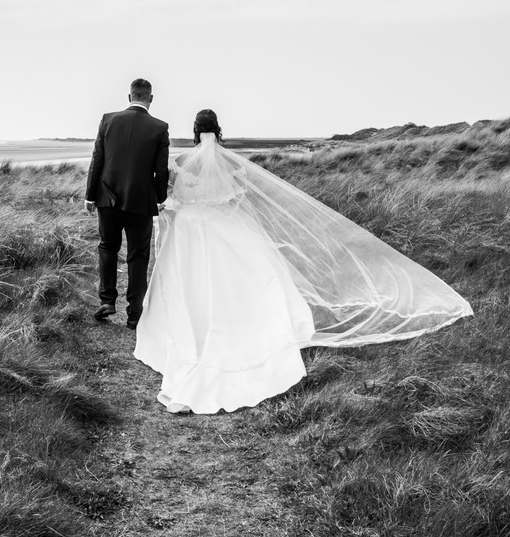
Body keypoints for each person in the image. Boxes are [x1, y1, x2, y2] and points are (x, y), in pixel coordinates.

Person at [134, 109, 473, 414]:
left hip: (192, 230)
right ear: (218, 130)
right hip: (221, 227)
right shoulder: (232, 163)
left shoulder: (181, 162)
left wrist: (175, 209)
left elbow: (172, 196)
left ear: (195, 131)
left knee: (190, 280)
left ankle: (190, 326)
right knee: (244, 276)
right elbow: (237, 197)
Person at [85, 79, 170, 329]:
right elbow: (161, 171)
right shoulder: (159, 127)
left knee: (107, 247)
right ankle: (134, 314)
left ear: (129, 96)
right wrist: (159, 199)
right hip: (140, 202)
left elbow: (97, 159)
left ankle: (107, 300)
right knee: (138, 256)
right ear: (150, 99)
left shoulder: (108, 120)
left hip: (107, 198)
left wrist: (90, 195)